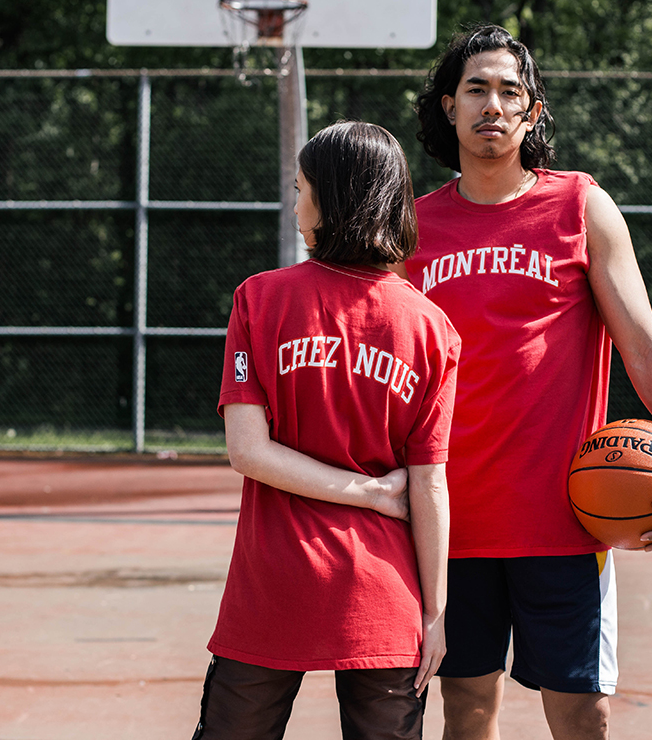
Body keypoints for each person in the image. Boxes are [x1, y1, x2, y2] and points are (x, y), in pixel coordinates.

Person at [399, 25, 652, 739]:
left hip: (566, 516)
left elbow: (642, 344)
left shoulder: (580, 206)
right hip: (452, 518)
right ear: (449, 107)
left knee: (584, 713)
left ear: (533, 111)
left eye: (509, 91)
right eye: (476, 90)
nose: (492, 105)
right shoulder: (414, 228)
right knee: (467, 709)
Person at [193, 121, 461, 740]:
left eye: (300, 188)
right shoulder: (431, 326)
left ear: (331, 198)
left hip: (274, 580)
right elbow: (429, 484)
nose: (294, 204)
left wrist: (373, 494)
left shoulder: (259, 299)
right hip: (383, 589)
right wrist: (436, 612)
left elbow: (247, 451)